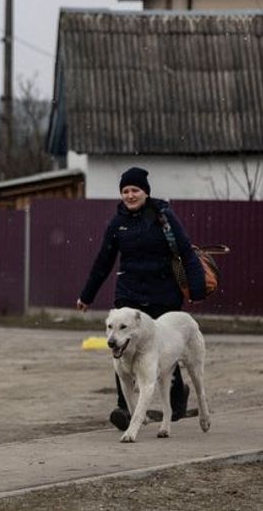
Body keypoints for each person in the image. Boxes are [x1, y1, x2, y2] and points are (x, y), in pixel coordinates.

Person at [76, 166, 207, 431]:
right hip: (129, 295)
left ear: (145, 192)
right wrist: (87, 295)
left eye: (135, 190)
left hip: (163, 294)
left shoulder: (164, 217)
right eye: (125, 191)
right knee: (121, 350)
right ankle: (125, 408)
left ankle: (176, 390)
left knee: (163, 348)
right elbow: (103, 262)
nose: (130, 195)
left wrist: (197, 287)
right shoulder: (117, 223)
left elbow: (186, 251)